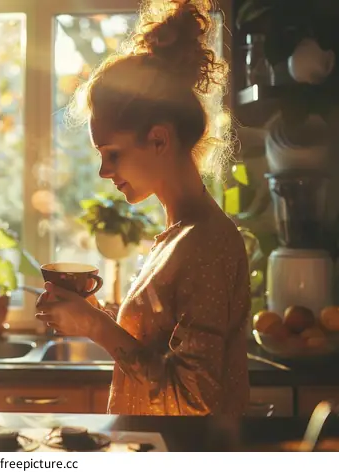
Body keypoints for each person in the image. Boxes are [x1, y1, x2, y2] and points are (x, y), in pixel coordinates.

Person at [36, 0, 250, 415]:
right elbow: (161, 343)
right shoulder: (179, 235)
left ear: (158, 139)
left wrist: (95, 327)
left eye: (111, 153)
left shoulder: (206, 243)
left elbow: (193, 398)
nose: (103, 171)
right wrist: (95, 313)